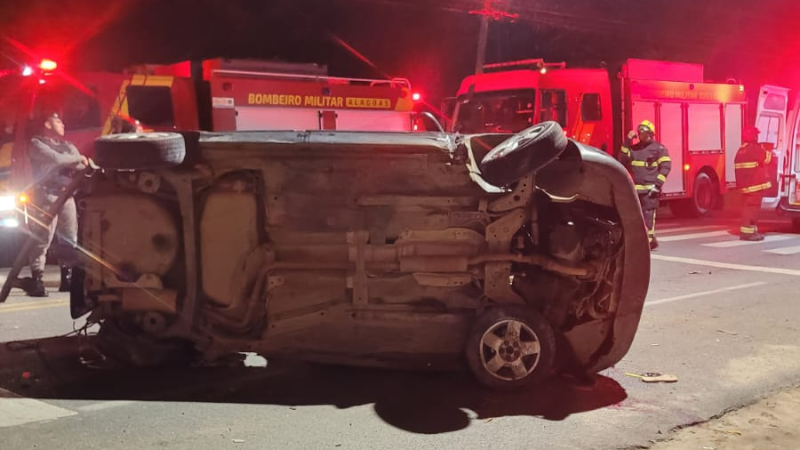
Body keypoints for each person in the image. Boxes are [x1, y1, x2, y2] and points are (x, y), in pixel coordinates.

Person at [25, 112, 86, 297]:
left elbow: (82, 167)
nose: (63, 124)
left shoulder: (67, 145)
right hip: (46, 197)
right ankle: (37, 279)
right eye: (58, 121)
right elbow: (58, 159)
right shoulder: (36, 144)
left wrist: (74, 160)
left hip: (66, 196)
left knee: (69, 239)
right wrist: (76, 158)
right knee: (42, 238)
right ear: (47, 124)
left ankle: (66, 278)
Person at [618, 120, 672, 250]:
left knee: (648, 216)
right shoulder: (634, 149)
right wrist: (627, 140)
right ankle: (650, 241)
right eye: (640, 133)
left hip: (650, 191)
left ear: (650, 134)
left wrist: (657, 186)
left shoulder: (659, 149)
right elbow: (622, 158)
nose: (642, 135)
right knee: (637, 217)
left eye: (645, 133)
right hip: (636, 191)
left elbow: (666, 167)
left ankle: (646, 243)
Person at [734, 126, 773, 241]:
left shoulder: (740, 150)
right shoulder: (754, 149)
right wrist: (767, 149)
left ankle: (752, 230)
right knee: (752, 209)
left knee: (748, 208)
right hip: (754, 186)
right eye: (756, 135)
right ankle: (747, 233)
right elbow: (768, 159)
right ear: (753, 136)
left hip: (746, 187)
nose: (757, 137)